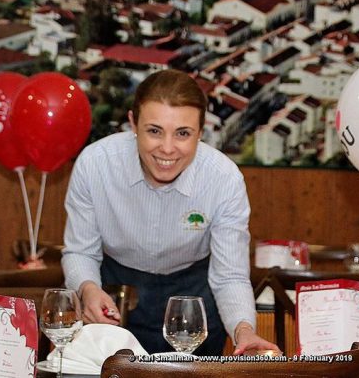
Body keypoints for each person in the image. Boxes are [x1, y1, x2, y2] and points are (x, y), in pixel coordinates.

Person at [61, 69, 279, 356]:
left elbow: (230, 276)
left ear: (201, 133)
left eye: (183, 134)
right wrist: (88, 289)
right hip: (113, 297)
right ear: (132, 124)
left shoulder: (223, 178)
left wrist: (244, 331)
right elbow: (80, 252)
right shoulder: (95, 165)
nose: (167, 149)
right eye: (154, 131)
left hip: (195, 299)